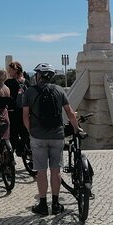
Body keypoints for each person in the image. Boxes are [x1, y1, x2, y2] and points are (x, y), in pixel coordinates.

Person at [22, 63, 80, 215]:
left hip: (38, 136)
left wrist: (30, 132)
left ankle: (42, 205)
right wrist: (76, 128)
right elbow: (70, 113)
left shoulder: (29, 92)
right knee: (56, 170)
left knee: (41, 171)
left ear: (38, 75)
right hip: (57, 135)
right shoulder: (59, 90)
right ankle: (55, 204)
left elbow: (25, 116)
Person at [5, 61, 30, 156]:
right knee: (24, 132)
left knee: (13, 134)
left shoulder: (9, 82)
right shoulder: (26, 82)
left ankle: (17, 150)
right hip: (26, 111)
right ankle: (26, 149)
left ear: (15, 71)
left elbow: (6, 96)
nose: (8, 72)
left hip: (13, 111)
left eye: (10, 70)